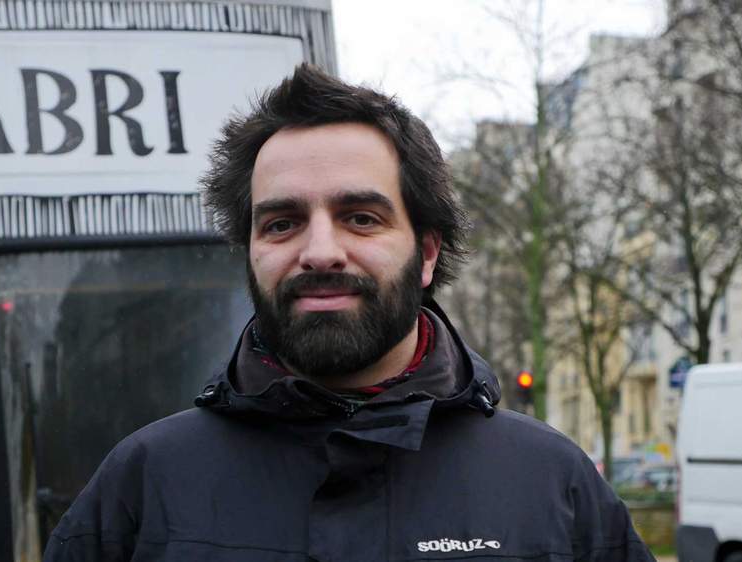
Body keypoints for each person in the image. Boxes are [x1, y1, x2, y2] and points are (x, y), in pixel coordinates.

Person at [42, 64, 652, 562]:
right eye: (282, 223)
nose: (320, 252)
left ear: (427, 254)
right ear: (251, 251)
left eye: (361, 217)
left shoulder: (552, 481)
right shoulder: (142, 484)